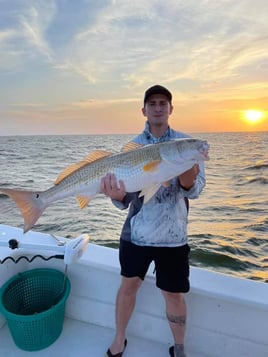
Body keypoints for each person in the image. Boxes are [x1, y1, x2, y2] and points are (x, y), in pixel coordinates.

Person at [101, 85, 206, 357]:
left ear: (171, 109)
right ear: (144, 110)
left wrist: (188, 176)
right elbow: (124, 198)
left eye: (163, 103)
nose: (158, 107)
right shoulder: (133, 148)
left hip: (174, 236)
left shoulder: (186, 145)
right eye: (153, 103)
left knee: (173, 294)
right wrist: (117, 195)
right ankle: (119, 339)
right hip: (136, 234)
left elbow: (195, 190)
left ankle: (180, 347)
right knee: (128, 286)